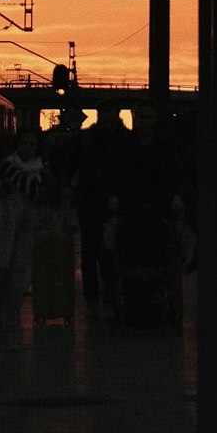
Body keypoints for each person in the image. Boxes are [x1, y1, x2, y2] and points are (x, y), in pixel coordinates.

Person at [0, 128, 52, 350]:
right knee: (0, 277)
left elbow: (43, 194)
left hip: (25, 228)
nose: (28, 148)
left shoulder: (40, 170)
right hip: (1, 228)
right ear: (16, 145)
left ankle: (10, 326)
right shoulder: (2, 168)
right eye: (24, 143)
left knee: (17, 278)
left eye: (32, 144)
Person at [71, 97, 130, 309]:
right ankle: (107, 296)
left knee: (94, 251)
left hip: (98, 202)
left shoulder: (85, 138)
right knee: (107, 251)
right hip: (103, 202)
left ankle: (95, 297)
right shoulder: (127, 139)